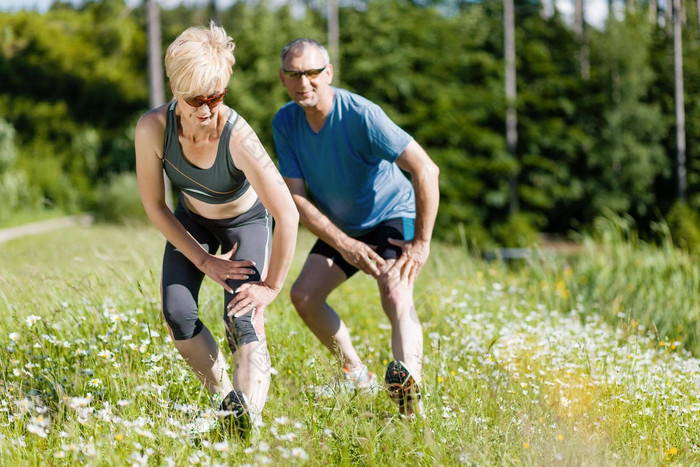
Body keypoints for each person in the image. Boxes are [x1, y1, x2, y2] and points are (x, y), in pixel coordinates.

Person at [134, 23, 298, 436]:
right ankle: (229, 403)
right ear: (176, 88)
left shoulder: (238, 135)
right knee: (177, 313)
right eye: (196, 99)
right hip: (193, 221)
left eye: (217, 96)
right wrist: (205, 261)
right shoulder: (153, 129)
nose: (207, 109)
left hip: (245, 222)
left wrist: (272, 287)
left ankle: (251, 420)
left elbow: (288, 214)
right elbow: (154, 205)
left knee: (241, 314)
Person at [272, 38, 439, 416]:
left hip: (390, 214)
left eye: (313, 72)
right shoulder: (284, 121)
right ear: (284, 77)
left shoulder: (362, 115)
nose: (305, 82)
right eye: (295, 74)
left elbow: (426, 169)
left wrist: (422, 242)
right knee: (304, 296)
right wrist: (345, 243)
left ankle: (410, 397)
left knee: (395, 293)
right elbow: (296, 198)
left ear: (328, 73)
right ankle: (355, 373)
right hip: (343, 226)